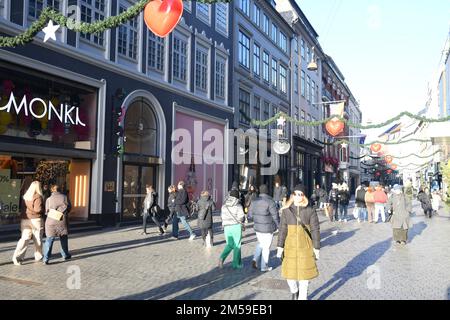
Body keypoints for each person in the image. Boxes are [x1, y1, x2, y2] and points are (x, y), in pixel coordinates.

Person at [277, 185, 320, 300]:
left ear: (304, 196)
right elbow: (282, 229)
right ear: (292, 195)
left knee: (304, 279)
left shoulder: (310, 210)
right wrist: (280, 246)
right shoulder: (287, 210)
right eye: (295, 194)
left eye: (300, 194)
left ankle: (302, 297)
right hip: (290, 247)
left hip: (305, 248)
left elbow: (315, 229)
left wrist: (316, 248)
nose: (297, 196)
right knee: (289, 277)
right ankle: (294, 290)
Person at [248, 184, 280, 272]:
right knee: (266, 247)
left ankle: (255, 259)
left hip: (258, 228)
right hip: (268, 228)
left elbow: (249, 216)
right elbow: (275, 216)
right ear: (267, 191)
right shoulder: (270, 202)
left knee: (261, 243)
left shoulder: (254, 201)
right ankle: (264, 266)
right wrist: (279, 226)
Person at [12, 181, 44, 265]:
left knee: (24, 239)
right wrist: (43, 210)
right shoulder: (38, 197)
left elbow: (22, 209)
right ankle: (38, 256)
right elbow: (38, 210)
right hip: (36, 220)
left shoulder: (25, 196)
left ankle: (17, 257)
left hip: (25, 220)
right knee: (38, 239)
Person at [42, 183, 72, 264]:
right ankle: (65, 254)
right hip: (62, 221)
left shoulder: (48, 199)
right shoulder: (65, 197)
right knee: (63, 238)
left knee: (49, 240)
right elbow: (69, 208)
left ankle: (46, 258)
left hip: (50, 222)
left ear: (52, 190)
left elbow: (46, 211)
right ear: (60, 190)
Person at [219, 190, 245, 270]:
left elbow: (222, 217)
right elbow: (241, 217)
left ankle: (222, 257)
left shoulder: (224, 205)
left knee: (230, 244)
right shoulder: (238, 205)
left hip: (226, 227)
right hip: (236, 226)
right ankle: (236, 264)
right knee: (237, 244)